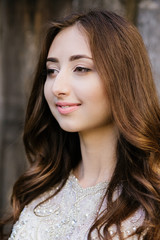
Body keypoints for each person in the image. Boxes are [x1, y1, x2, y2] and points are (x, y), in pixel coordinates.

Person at [1, 10, 160, 240]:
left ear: (124, 78)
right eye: (52, 71)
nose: (57, 87)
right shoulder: (43, 187)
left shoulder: (151, 199)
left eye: (81, 68)